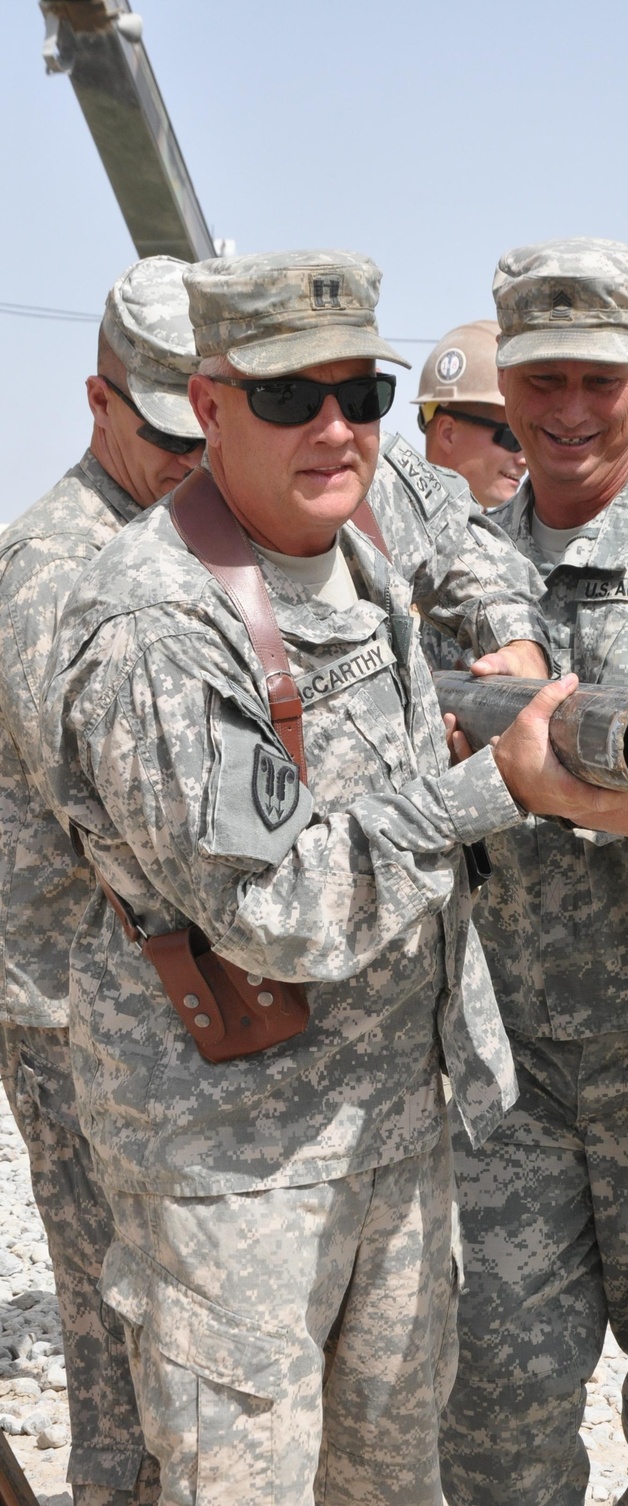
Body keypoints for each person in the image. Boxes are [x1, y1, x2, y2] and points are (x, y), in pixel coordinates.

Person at [38, 247, 628, 1506]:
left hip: (389, 1141)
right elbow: (275, 909)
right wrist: (497, 787)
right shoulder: (151, 622)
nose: (335, 430)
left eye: (358, 396)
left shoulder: (349, 543)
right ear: (207, 409)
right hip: (237, 1177)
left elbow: (459, 553)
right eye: (286, 399)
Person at [438, 237, 628, 1506]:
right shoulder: (468, 562)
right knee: (496, 1411)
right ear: (505, 382)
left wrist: (549, 772)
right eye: (543, 379)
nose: (569, 413)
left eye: (598, 381)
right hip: (512, 1063)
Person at [0, 254, 206, 1506]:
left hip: (160, 1003)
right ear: (98, 402)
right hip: (78, 1014)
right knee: (121, 1341)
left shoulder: (172, 535)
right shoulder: (54, 569)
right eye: (168, 431)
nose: (195, 455)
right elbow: (117, 807)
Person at [415, 320, 526, 510]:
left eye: (527, 440)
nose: (524, 460)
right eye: (512, 439)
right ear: (448, 434)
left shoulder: (494, 537)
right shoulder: (381, 529)